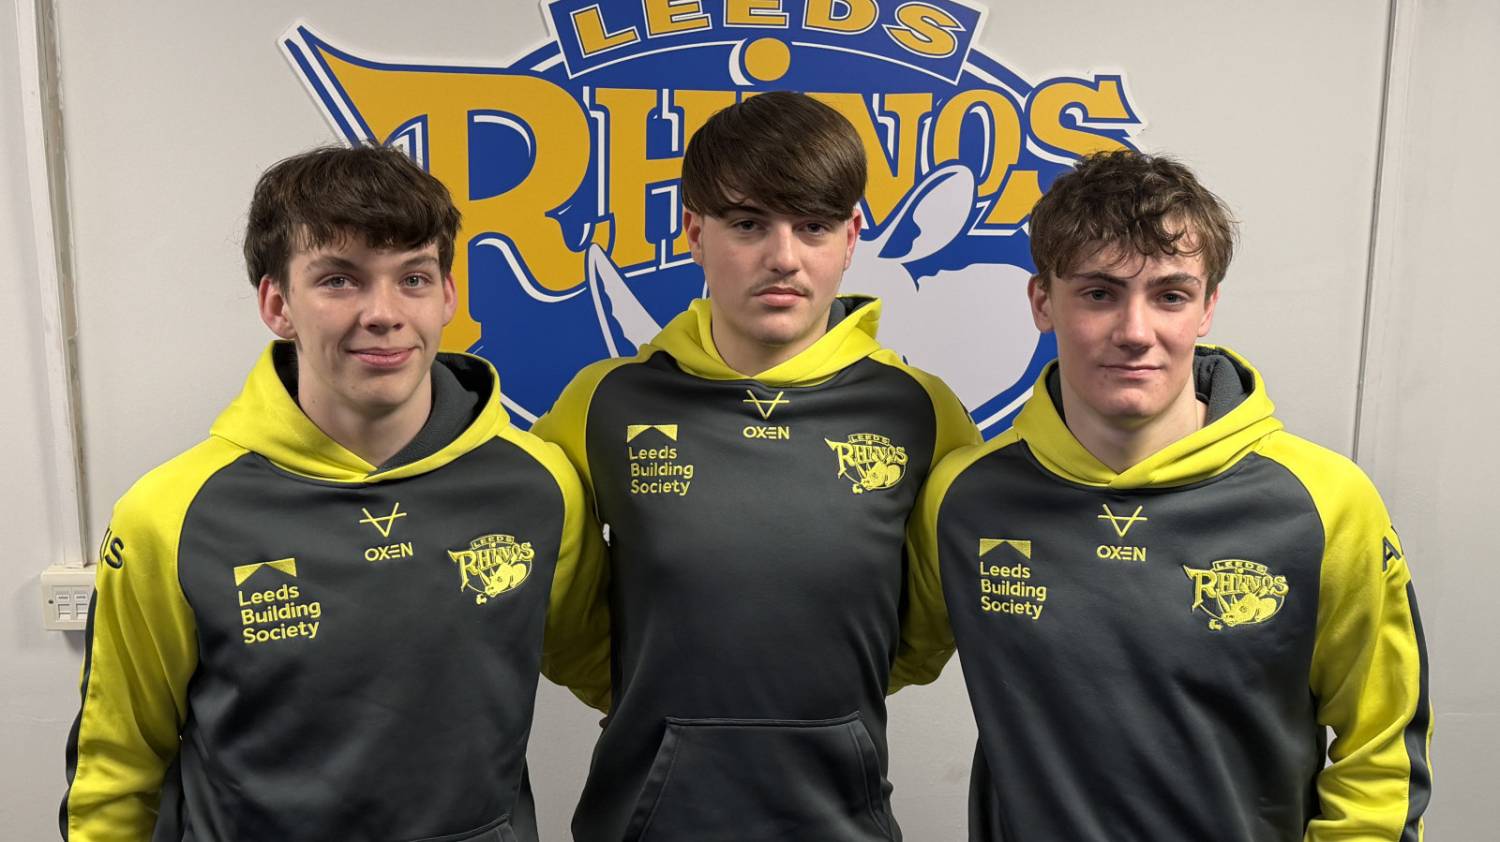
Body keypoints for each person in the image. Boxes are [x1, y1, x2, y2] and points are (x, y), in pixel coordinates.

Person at [60, 145, 604, 842]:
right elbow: (117, 767)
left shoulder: (538, 484)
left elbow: (615, 672)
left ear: (448, 296)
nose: (383, 313)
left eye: (413, 277)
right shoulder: (172, 515)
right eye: (340, 280)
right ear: (277, 304)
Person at [903, 150, 1432, 840]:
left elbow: (1381, 749)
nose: (1135, 332)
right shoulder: (965, 496)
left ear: (1207, 306)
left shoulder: (1324, 502)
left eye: (1170, 295)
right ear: (1042, 302)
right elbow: (864, 660)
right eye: (1099, 294)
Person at [533, 91, 979, 841]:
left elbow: (930, 619)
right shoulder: (605, 401)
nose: (783, 258)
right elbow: (553, 601)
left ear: (851, 237)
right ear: (695, 233)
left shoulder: (920, 410)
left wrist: (832, 711)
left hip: (842, 818)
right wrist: (650, 697)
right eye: (748, 224)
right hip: (643, 821)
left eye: (813, 226)